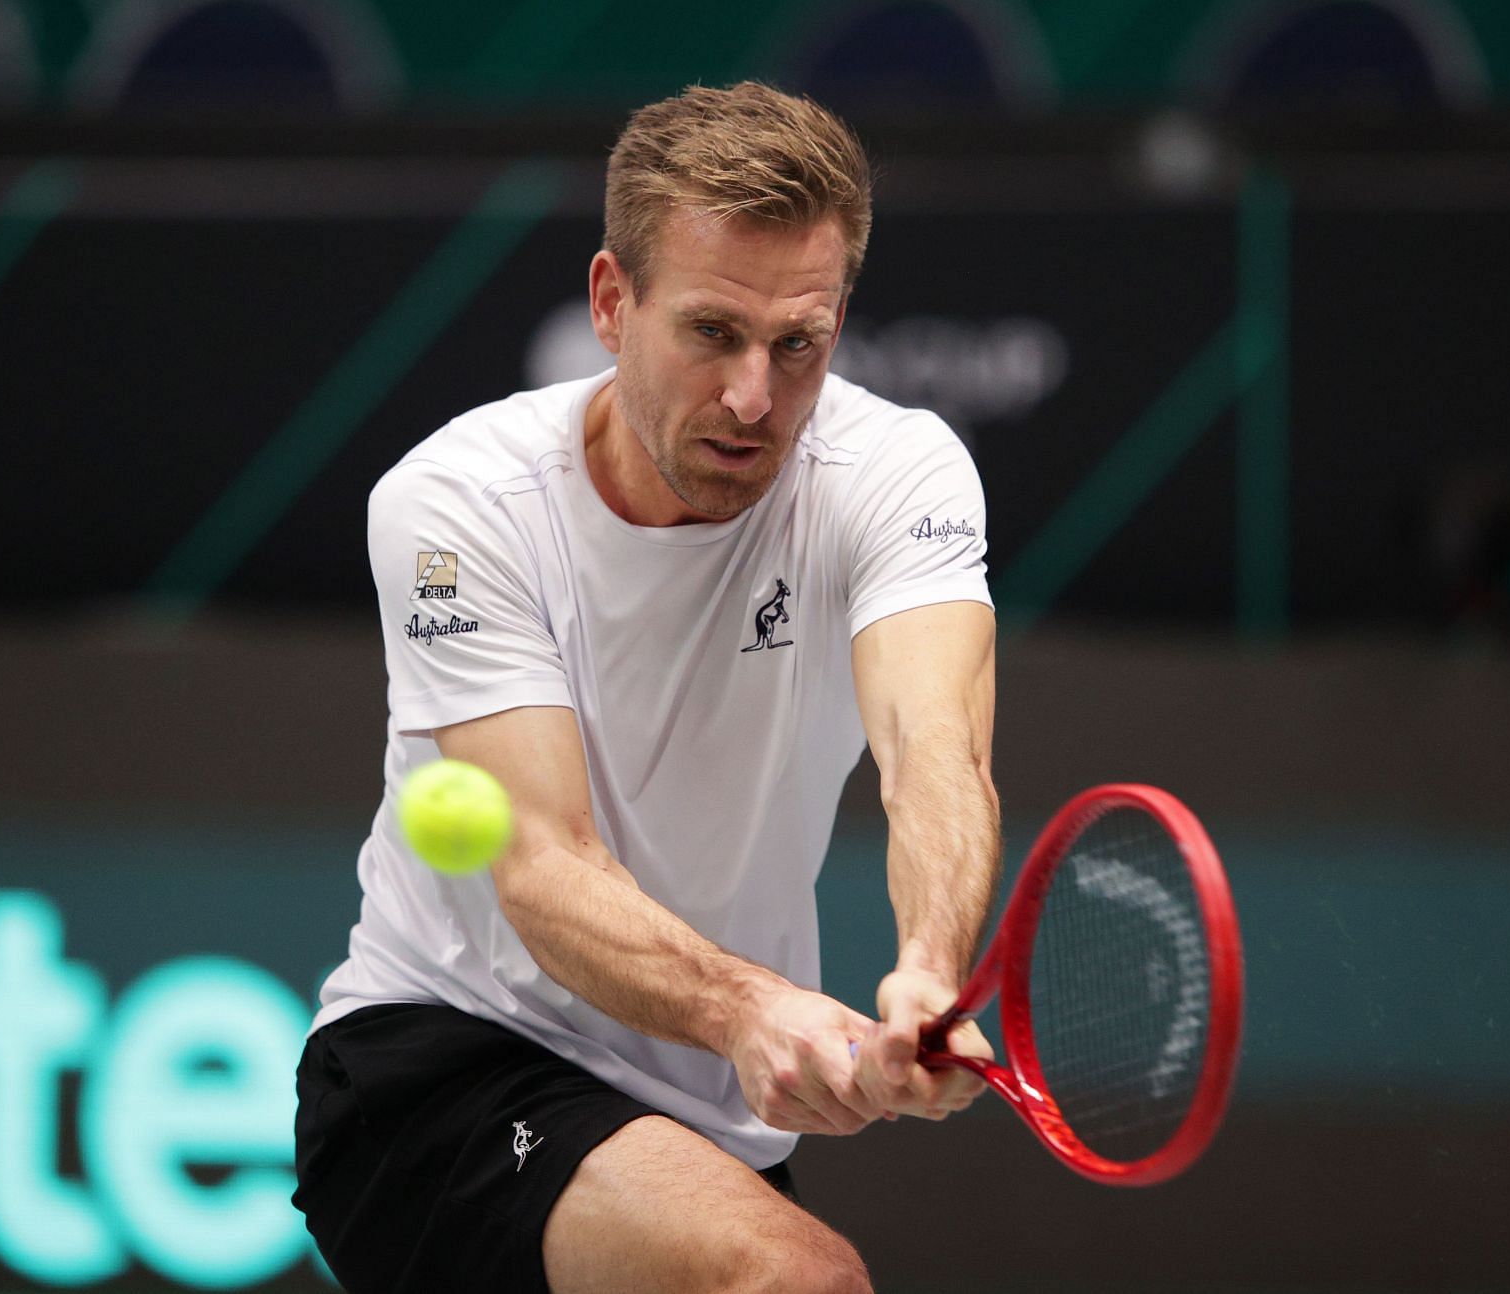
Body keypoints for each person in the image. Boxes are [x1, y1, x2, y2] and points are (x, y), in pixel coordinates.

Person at [293, 81, 1001, 1294]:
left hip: (702, 1118)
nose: (752, 399)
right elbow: (544, 865)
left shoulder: (898, 475)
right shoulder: (459, 506)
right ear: (613, 303)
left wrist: (928, 967)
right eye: (712, 333)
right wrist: (749, 1009)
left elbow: (933, 751)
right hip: (446, 1066)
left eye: (798, 345)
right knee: (797, 1281)